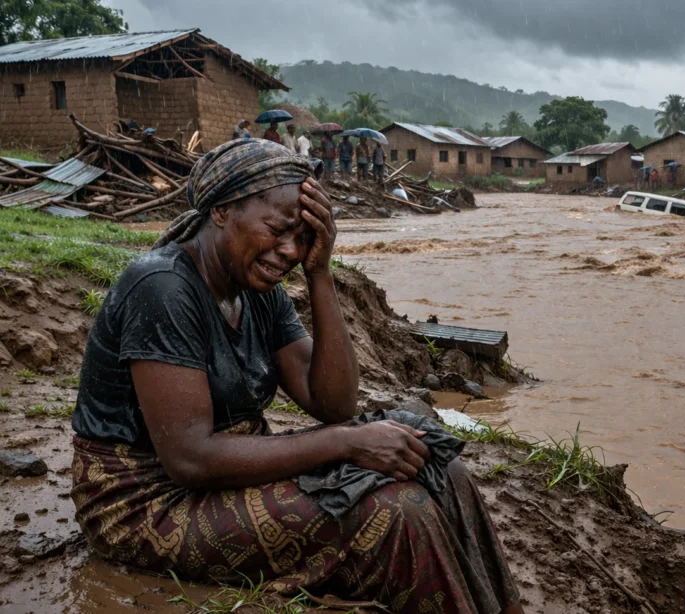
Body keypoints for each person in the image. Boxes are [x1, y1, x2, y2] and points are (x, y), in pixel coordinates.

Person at [69, 139, 523, 614]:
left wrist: (320, 273)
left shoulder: (257, 290)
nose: (289, 250)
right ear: (222, 210)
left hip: (220, 477)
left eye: (303, 237)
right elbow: (191, 459)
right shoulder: (162, 288)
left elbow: (332, 403)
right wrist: (348, 443)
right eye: (278, 230)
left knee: (438, 465)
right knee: (397, 511)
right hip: (146, 503)